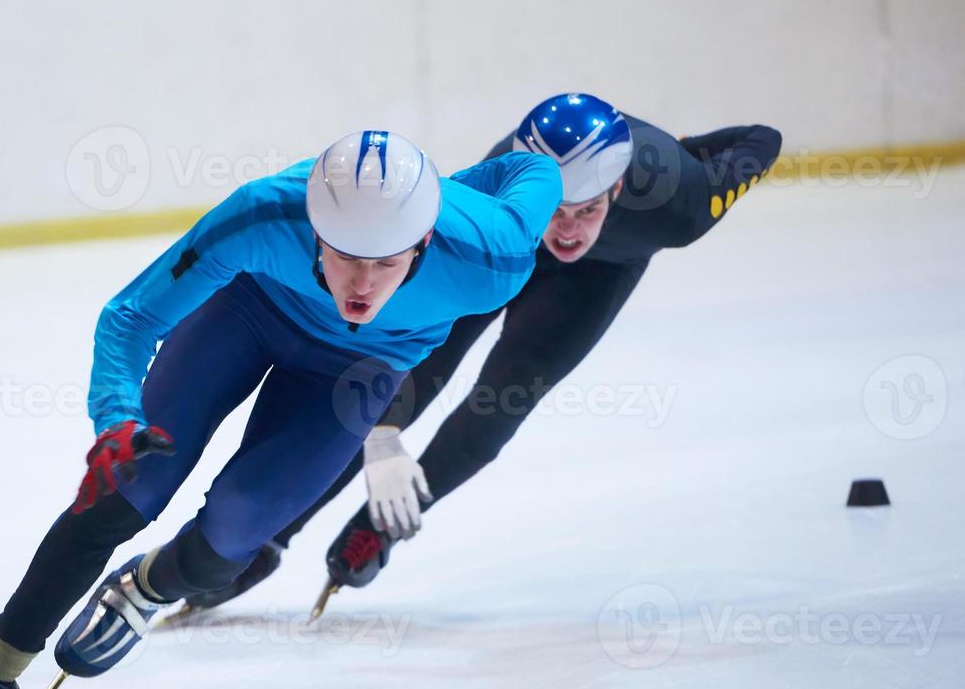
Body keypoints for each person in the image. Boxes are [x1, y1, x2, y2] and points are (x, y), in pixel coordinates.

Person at [0, 130, 563, 689]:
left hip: (360, 370)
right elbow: (131, 315)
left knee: (231, 542)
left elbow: (531, 167)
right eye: (340, 257)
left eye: (385, 264)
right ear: (312, 229)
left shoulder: (491, 253)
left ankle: (145, 588)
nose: (359, 287)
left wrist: (456, 188)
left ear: (420, 245)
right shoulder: (263, 214)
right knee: (124, 489)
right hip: (249, 314)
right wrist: (114, 417)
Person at [178, 94, 783, 613]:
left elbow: (763, 139)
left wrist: (674, 151)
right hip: (506, 245)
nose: (568, 231)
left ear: (619, 187)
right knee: (412, 383)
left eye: (589, 211)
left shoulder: (681, 205)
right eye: (557, 211)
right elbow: (402, 325)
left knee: (504, 398)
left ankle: (383, 526)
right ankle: (270, 536)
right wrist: (382, 437)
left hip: (600, 274)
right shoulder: (489, 196)